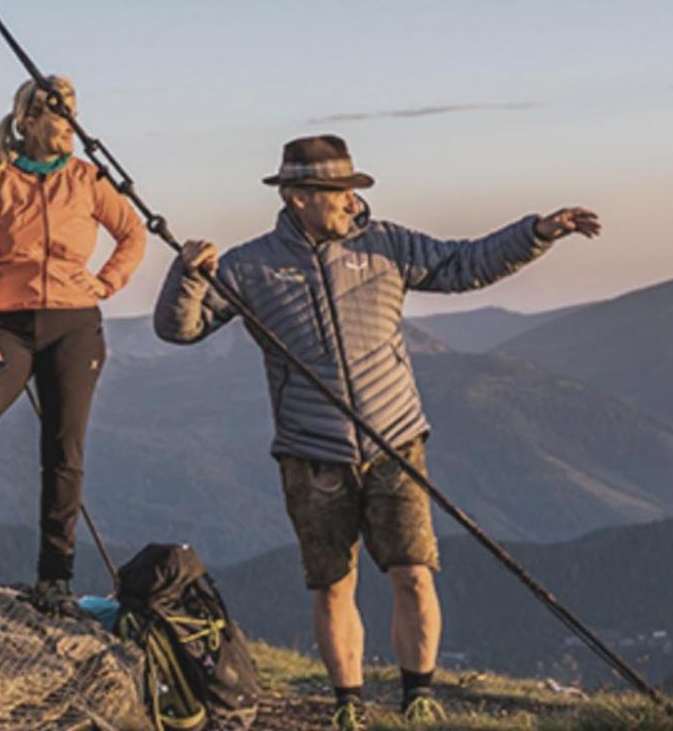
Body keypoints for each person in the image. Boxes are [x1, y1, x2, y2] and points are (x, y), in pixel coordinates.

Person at [153, 134, 603, 728]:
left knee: (414, 574)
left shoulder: (388, 244)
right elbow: (180, 330)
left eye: (351, 190)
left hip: (396, 442)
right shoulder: (251, 266)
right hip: (311, 454)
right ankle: (349, 707)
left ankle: (419, 696)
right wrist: (187, 275)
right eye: (337, 192)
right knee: (334, 586)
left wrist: (537, 233)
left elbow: (464, 264)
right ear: (296, 198)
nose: (349, 201)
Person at [0, 76, 146, 611]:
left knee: (64, 449)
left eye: (73, 113)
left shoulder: (88, 179)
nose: (69, 124)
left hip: (74, 323)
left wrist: (106, 284)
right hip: (9, 325)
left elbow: (133, 234)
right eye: (56, 113)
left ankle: (54, 578)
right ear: (28, 122)